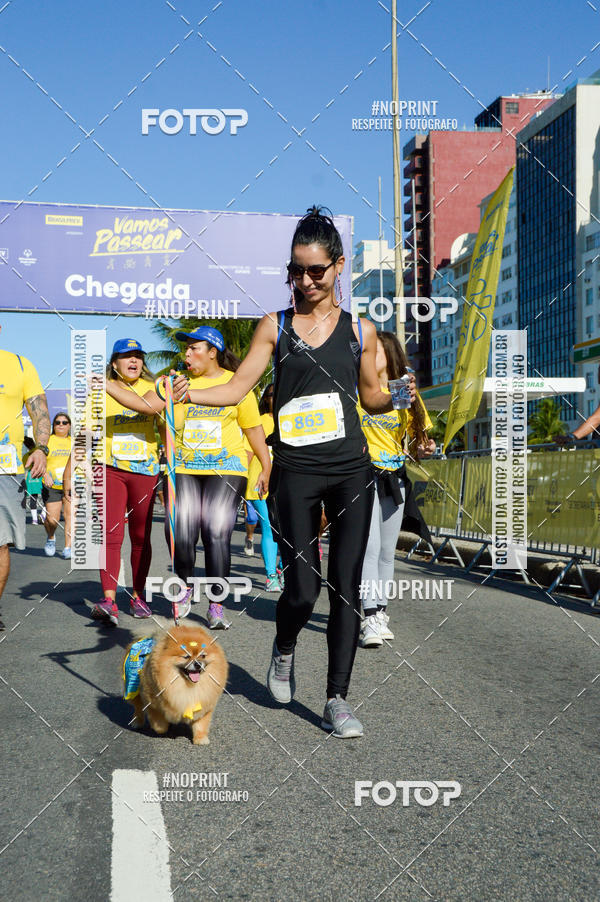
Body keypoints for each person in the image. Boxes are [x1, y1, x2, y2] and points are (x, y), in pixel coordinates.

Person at [179, 206, 416, 738]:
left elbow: (372, 399)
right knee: (302, 592)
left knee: (347, 589)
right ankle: (283, 648)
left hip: (352, 470)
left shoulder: (362, 331)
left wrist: (397, 395)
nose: (306, 282)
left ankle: (337, 699)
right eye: (296, 271)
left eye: (317, 271)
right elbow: (237, 388)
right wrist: (188, 392)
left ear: (339, 267)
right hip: (296, 473)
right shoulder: (275, 327)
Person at [104, 326, 270, 629]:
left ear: (212, 352)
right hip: (184, 468)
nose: (187, 354)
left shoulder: (236, 384)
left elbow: (253, 429)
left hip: (226, 466)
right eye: (186, 348)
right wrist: (105, 384)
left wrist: (266, 465)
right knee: (182, 534)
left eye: (194, 348)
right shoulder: (172, 384)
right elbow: (144, 405)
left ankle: (216, 604)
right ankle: (185, 587)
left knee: (217, 532)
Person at [65, 339, 163, 627]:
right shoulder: (97, 393)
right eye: (126, 357)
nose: (133, 362)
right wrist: (70, 471)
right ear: (114, 363)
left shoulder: (152, 390)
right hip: (109, 469)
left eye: (138, 357)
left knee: (141, 536)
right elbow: (83, 434)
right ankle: (108, 599)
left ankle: (137, 595)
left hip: (145, 471)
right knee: (111, 533)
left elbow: (163, 425)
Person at [357, 331, 435, 648]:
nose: (364, 357)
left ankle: (381, 612)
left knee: (388, 553)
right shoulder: (356, 389)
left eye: (372, 352)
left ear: (388, 356)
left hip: (395, 476)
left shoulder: (405, 392)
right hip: (361, 476)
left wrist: (425, 448)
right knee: (369, 548)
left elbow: (417, 443)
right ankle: (369, 616)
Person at [0, 326, 50, 630]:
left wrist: (42, 448)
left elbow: (40, 413)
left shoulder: (20, 364)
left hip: (4, 468)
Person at [244, 383, 282, 591]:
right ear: (265, 399)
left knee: (289, 530)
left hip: (289, 483)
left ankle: (283, 571)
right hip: (260, 483)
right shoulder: (257, 422)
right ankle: (270, 576)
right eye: (271, 394)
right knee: (269, 527)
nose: (275, 397)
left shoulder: (293, 419)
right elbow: (248, 453)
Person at [42, 412, 72, 559]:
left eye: (64, 422)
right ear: (53, 425)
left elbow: (82, 462)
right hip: (51, 485)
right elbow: (37, 460)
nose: (61, 425)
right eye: (57, 422)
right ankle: (51, 537)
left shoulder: (73, 442)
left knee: (70, 517)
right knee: (52, 520)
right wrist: (44, 474)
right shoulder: (47, 441)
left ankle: (68, 548)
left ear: (69, 425)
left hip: (71, 485)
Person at [23, 437, 44, 525]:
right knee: (48, 497)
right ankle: (43, 514)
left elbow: (26, 469)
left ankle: (34, 520)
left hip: (31, 478)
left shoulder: (26, 456)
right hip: (41, 475)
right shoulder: (40, 452)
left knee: (33, 498)